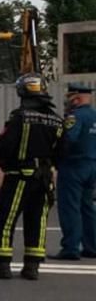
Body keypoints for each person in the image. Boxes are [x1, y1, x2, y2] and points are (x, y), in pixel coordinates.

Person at [0, 73, 65, 280]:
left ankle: (0, 266)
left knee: (5, 218)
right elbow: (62, 153)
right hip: (44, 179)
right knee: (37, 220)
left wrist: (3, 163)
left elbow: (5, 147)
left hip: (19, 176)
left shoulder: (19, 117)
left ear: (23, 91)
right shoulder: (57, 120)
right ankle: (32, 267)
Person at [53, 83, 96, 261]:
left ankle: (70, 248)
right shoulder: (94, 116)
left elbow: (67, 140)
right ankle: (92, 246)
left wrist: (55, 157)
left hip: (73, 166)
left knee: (69, 208)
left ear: (76, 98)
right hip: (92, 166)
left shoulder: (75, 117)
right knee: (87, 207)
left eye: (69, 98)